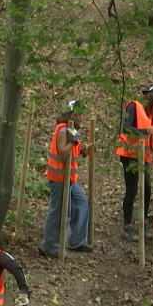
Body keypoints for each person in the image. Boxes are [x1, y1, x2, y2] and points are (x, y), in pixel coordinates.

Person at [39, 100, 93, 257]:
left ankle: (77, 241)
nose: (82, 118)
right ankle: (49, 246)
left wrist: (82, 150)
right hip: (59, 177)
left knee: (81, 204)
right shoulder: (63, 129)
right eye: (80, 114)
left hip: (69, 178)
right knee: (59, 211)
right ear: (73, 114)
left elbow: (72, 149)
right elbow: (63, 153)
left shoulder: (71, 129)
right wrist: (72, 144)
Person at [116, 84, 153, 242]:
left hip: (143, 156)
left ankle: (142, 223)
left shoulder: (152, 116)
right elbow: (126, 128)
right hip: (129, 153)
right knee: (132, 190)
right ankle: (127, 226)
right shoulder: (134, 106)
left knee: (147, 187)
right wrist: (144, 132)